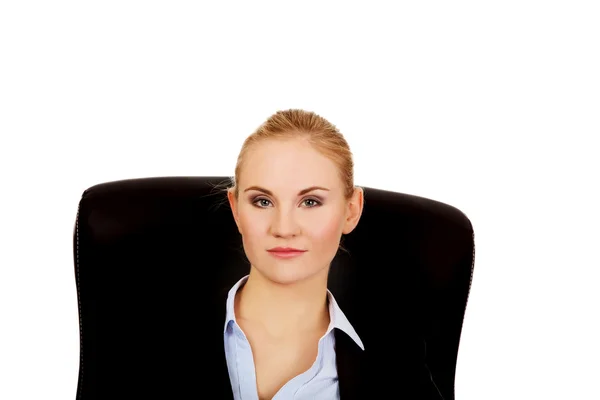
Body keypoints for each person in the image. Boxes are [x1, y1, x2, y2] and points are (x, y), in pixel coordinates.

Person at [223, 108, 364, 399]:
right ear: (235, 209)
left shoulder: (400, 363)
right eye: (262, 201)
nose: (283, 229)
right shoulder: (148, 335)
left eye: (310, 202)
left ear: (352, 211)